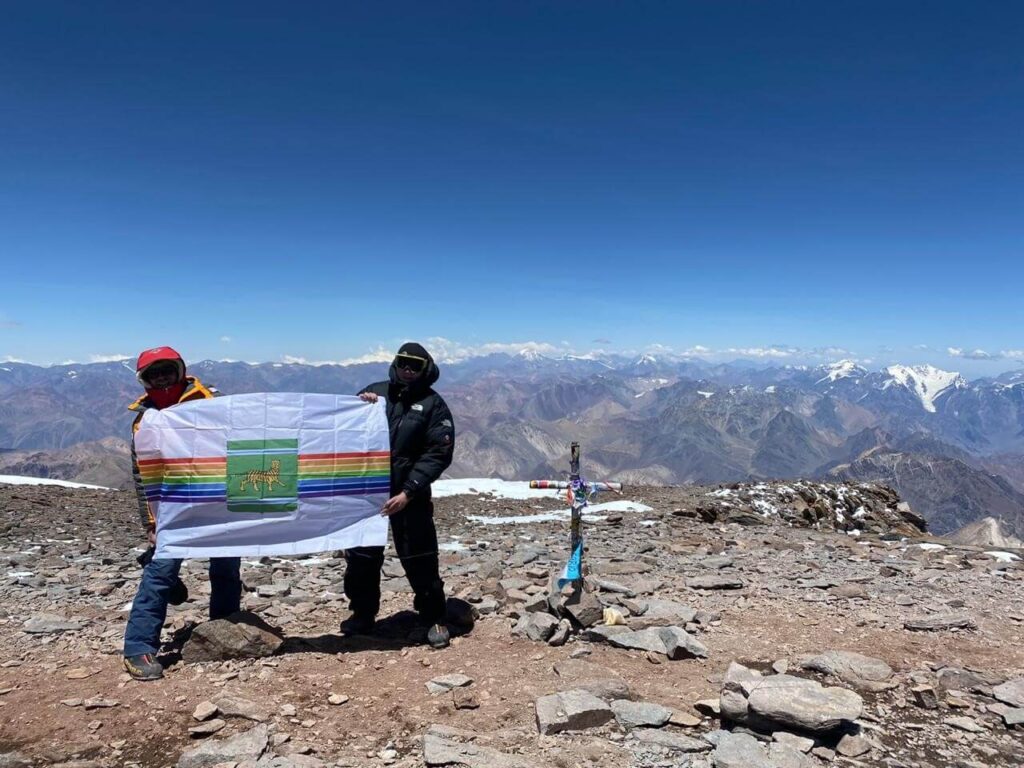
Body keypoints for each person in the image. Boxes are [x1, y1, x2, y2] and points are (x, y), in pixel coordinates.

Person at [122, 347, 242, 681]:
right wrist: (151, 521)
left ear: (180, 371)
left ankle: (225, 627)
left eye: (166, 371)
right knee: (160, 572)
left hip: (219, 500)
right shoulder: (143, 422)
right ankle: (138, 647)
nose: (161, 379)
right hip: (173, 506)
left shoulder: (212, 404)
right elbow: (141, 474)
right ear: (145, 380)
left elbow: (254, 429)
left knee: (226, 566)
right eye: (153, 374)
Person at [344, 342, 456, 649]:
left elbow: (438, 453)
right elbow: (344, 429)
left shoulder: (433, 405)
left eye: (414, 366)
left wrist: (409, 491)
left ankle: (434, 617)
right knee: (362, 557)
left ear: (425, 369)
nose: (407, 370)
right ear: (395, 363)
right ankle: (362, 614)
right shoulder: (375, 392)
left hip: (411, 496)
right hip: (369, 493)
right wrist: (358, 404)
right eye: (403, 363)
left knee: (420, 556)